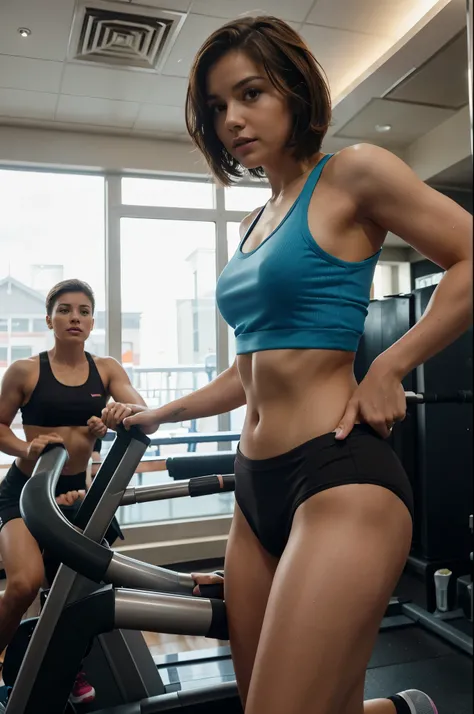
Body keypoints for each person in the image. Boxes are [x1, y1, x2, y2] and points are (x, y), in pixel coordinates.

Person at [124, 15, 472, 714]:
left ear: (294, 89)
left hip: (337, 476)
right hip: (256, 493)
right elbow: (249, 370)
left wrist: (389, 366)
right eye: (218, 107)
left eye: (251, 94)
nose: (232, 119)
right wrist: (157, 413)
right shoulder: (258, 219)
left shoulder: (352, 175)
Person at [0, 278, 149, 705]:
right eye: (65, 310)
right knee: (26, 584)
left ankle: (69, 665)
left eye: (83, 311)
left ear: (91, 321)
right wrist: (25, 446)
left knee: (77, 594)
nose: (74, 318)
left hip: (78, 495)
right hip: (27, 490)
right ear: (49, 319)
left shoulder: (106, 370)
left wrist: (119, 416)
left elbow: (143, 414)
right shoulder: (26, 370)